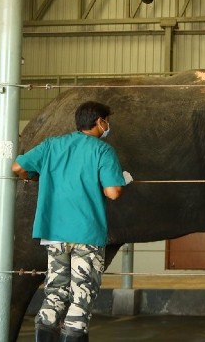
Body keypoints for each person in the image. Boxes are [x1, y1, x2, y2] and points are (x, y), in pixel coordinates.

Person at [12, 101, 132, 342]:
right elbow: (113, 192)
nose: (108, 125)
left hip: (54, 233)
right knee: (81, 296)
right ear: (99, 122)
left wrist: (34, 178)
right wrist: (124, 180)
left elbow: (17, 167)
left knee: (54, 293)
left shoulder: (51, 145)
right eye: (107, 120)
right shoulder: (102, 150)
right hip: (86, 234)